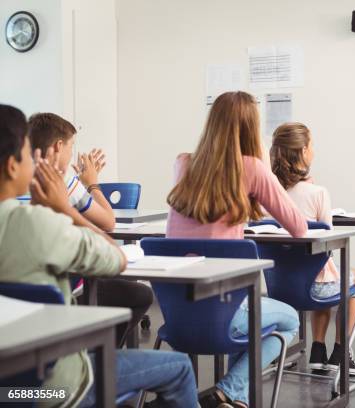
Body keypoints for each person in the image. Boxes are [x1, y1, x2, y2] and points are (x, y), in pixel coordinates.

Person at [0, 104, 198, 407]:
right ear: (14, 165)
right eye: (28, 153)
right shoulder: (40, 222)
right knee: (181, 366)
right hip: (48, 390)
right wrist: (62, 209)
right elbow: (115, 256)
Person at [166, 91, 308, 408]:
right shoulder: (252, 168)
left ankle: (233, 398)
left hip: (176, 316)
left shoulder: (183, 163)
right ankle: (228, 390)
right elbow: (298, 226)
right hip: (226, 313)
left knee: (249, 309)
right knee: (289, 321)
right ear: (249, 128)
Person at [27, 112, 153, 347]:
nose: (71, 154)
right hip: (65, 288)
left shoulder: (19, 177)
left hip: (23, 300)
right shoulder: (61, 180)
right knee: (139, 293)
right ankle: (101, 360)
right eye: (71, 147)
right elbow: (108, 222)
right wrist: (92, 182)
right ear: (58, 146)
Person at [270, 122, 355, 376]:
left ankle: (316, 350)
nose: (313, 150)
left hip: (278, 287)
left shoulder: (264, 193)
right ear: (303, 151)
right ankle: (340, 352)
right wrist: (311, 188)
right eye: (311, 145)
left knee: (324, 272)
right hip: (314, 290)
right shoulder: (317, 193)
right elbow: (327, 241)